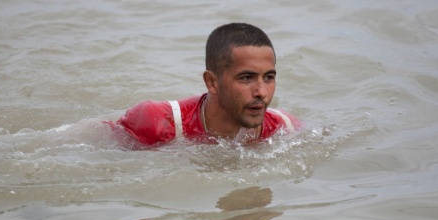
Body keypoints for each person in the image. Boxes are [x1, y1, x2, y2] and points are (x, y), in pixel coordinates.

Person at [106, 23, 300, 148]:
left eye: (269, 77)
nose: (261, 92)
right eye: (246, 78)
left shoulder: (285, 127)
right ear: (212, 82)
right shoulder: (158, 122)